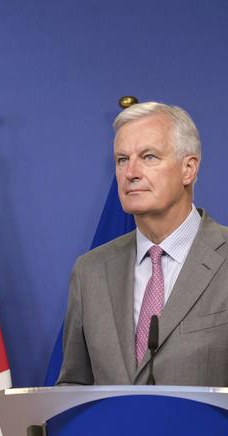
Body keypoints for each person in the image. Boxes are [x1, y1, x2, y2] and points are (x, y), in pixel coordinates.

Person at [58, 102, 228, 387]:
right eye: (122, 159)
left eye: (148, 157)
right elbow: (74, 386)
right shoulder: (90, 272)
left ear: (188, 169)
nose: (131, 172)